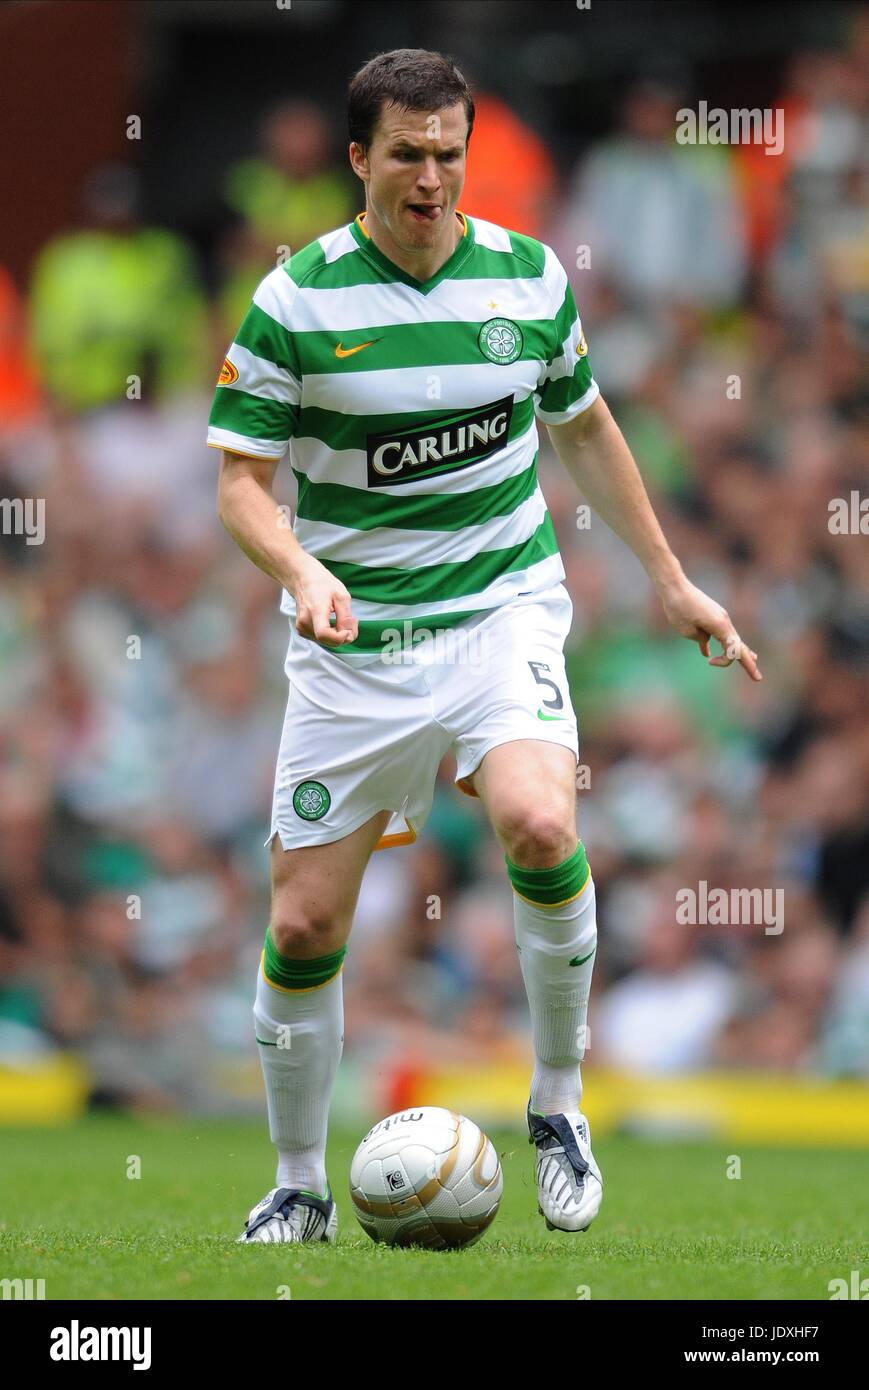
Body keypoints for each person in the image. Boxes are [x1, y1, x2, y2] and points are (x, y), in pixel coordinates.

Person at [207, 48, 761, 1245]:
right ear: (359, 159)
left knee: (542, 821)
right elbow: (242, 486)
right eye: (406, 153)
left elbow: (586, 425)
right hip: (354, 644)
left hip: (496, 612)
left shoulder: (526, 278)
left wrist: (670, 582)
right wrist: (298, 567)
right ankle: (299, 1182)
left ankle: (557, 1104)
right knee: (303, 926)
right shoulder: (294, 302)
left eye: (449, 152)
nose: (431, 176)